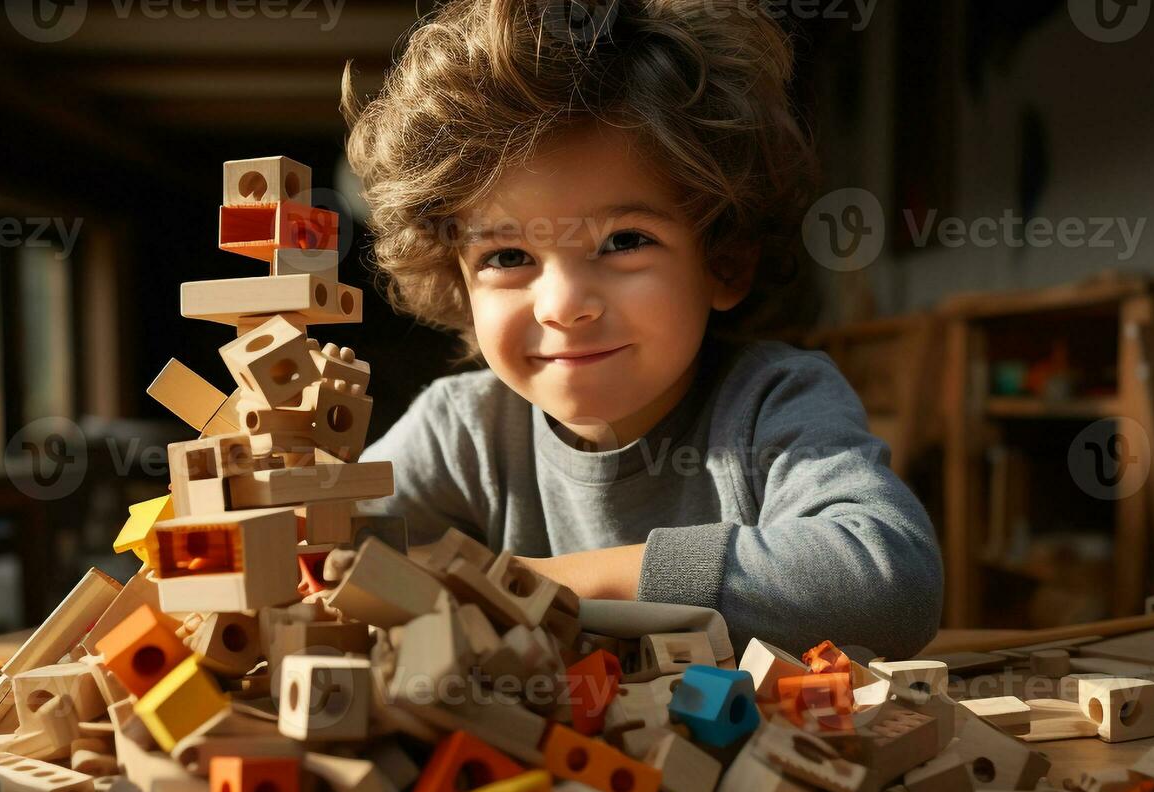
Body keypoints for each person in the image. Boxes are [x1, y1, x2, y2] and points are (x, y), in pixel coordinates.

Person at [341, 0, 941, 659]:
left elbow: (890, 585)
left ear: (723, 261)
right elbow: (321, 552)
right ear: (457, 282)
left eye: (624, 241)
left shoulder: (772, 402)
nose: (564, 305)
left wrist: (547, 583)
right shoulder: (462, 429)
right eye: (507, 257)